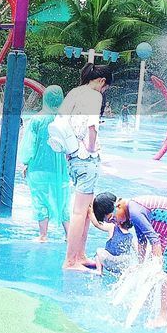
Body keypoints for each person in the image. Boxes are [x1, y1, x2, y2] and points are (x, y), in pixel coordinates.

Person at [91, 192, 167, 327]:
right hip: (166, 228)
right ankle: (146, 304)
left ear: (119, 205)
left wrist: (157, 264)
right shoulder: (131, 213)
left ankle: (164, 316)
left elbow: (154, 240)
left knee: (164, 269)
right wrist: (140, 264)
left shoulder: (135, 212)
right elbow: (142, 240)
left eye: (113, 218)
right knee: (151, 267)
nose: (117, 223)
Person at [55, 63, 112, 271]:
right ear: (102, 82)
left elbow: (60, 121)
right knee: (80, 212)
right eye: (105, 88)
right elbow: (92, 126)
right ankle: (70, 261)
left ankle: (80, 255)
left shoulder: (75, 92)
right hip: (86, 158)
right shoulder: (94, 96)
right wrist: (90, 146)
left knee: (86, 210)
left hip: (73, 158)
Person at [20, 84, 70, 242]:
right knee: (62, 200)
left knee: (40, 199)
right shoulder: (64, 120)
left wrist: (26, 163)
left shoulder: (37, 120)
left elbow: (29, 145)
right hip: (60, 168)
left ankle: (43, 235)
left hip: (38, 168)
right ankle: (69, 235)